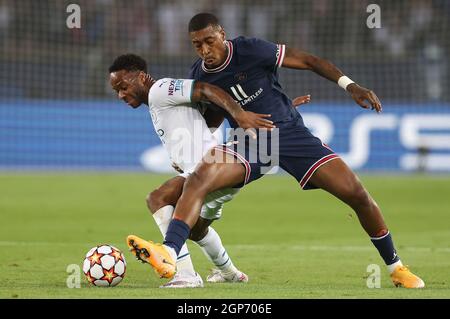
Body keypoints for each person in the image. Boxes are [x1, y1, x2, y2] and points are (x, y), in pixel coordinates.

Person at [127, 13, 424, 288]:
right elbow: (213, 117)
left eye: (209, 41)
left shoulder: (250, 50)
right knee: (200, 177)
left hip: (292, 135)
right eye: (197, 45)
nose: (205, 50)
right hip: (252, 143)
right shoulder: (200, 74)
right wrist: (197, 142)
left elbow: (307, 60)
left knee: (356, 194)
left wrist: (350, 86)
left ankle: (396, 267)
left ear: (222, 35)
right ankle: (168, 252)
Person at [108, 53, 276, 288]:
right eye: (117, 91)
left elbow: (206, 89)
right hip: (213, 171)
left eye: (123, 86)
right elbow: (210, 110)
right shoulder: (157, 104)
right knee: (196, 230)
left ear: (141, 76)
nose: (121, 95)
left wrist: (239, 114)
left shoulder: (160, 89)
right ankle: (229, 273)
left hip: (210, 171)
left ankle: (185, 274)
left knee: (158, 197)